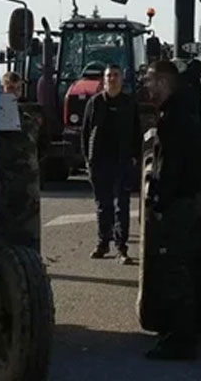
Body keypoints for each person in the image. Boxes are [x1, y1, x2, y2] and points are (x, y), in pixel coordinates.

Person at [141, 59, 201, 360]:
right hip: (183, 200)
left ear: (164, 83)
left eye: (150, 80)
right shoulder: (181, 113)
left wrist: (160, 202)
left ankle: (180, 339)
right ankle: (177, 333)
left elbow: (170, 167)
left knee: (173, 270)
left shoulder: (173, 119)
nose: (146, 85)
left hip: (177, 204)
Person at [80, 65, 141, 265]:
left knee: (121, 205)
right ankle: (102, 243)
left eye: (116, 75)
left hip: (122, 161)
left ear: (122, 79)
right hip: (99, 161)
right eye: (109, 76)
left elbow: (136, 132)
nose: (112, 79)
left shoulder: (129, 103)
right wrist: (87, 159)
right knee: (102, 205)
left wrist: (135, 156)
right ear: (103, 80)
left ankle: (121, 248)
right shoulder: (95, 103)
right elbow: (86, 132)